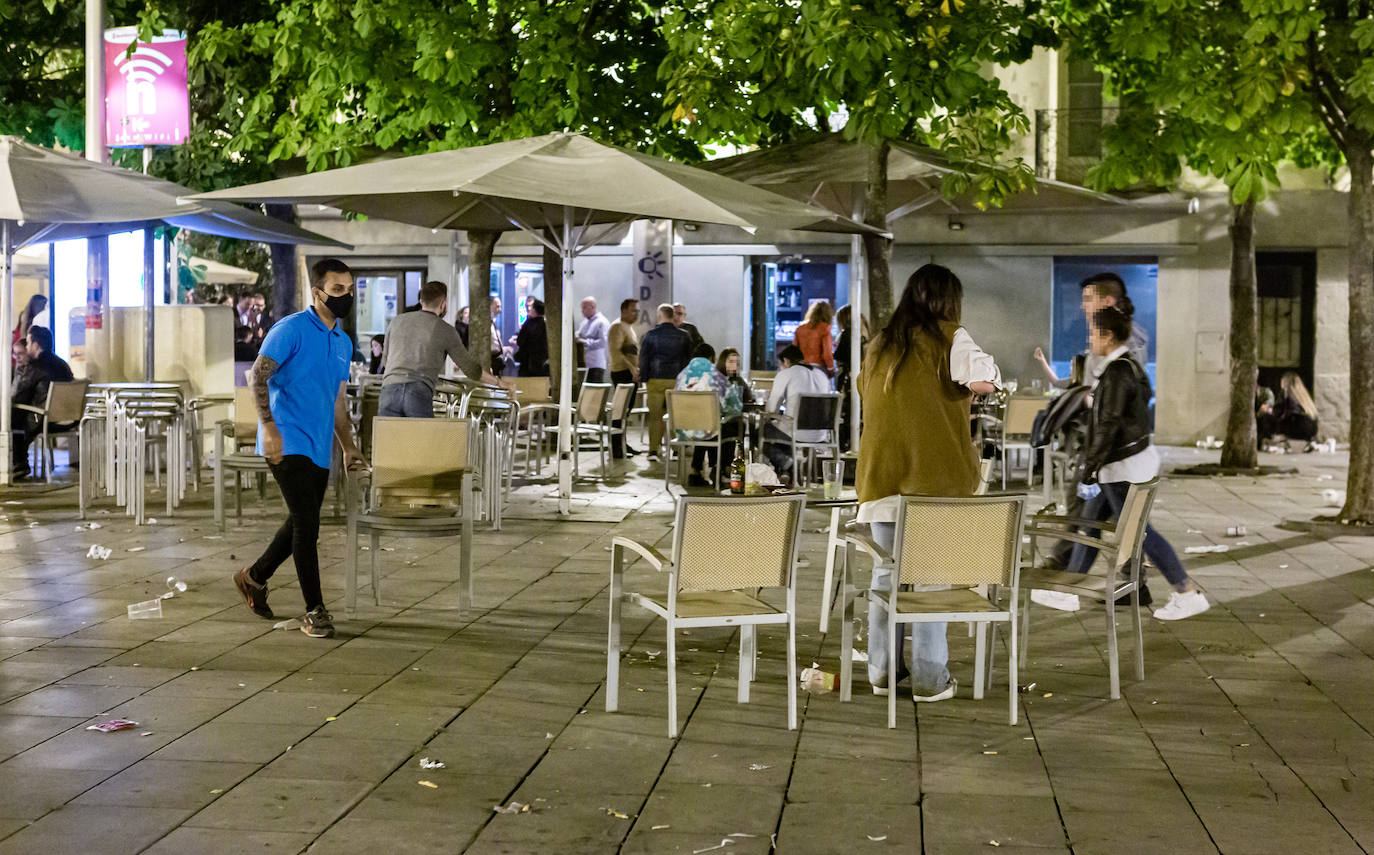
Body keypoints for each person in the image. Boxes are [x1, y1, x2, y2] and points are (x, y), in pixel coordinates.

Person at [856, 264, 1001, 701]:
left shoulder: (881, 343)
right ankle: (929, 678)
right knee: (931, 578)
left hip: (881, 478)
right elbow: (983, 380)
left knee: (886, 574)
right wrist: (976, 389)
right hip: (934, 482)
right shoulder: (950, 336)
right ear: (948, 300)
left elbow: (867, 392)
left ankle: (882, 673)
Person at [232, 259, 366, 640]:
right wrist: (269, 427)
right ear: (317, 292)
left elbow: (337, 402)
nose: (346, 296)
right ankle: (315, 610)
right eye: (337, 290)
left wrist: (349, 445)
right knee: (308, 524)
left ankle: (253, 577)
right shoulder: (289, 330)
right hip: (285, 439)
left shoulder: (342, 341)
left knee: (300, 520)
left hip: (320, 444)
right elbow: (256, 375)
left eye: (350, 289)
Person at [1062, 305, 1210, 622]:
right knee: (1090, 523)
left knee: (1141, 532)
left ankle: (1185, 592)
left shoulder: (1118, 372)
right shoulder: (1130, 367)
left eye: (1093, 332)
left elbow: (1109, 424)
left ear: (1108, 336)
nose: (1090, 339)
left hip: (1120, 468)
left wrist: (1089, 468)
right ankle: (1067, 590)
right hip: (1124, 465)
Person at [379, 281, 489, 417]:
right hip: (418, 390)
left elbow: (385, 361)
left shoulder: (396, 321)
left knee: (389, 438)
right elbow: (470, 369)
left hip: (389, 390)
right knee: (423, 438)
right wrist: (498, 382)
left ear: (421, 300)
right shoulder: (445, 330)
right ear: (443, 303)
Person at [675, 343, 743, 486]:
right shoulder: (716, 376)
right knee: (730, 427)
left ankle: (696, 471)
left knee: (705, 424)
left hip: (683, 430)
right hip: (708, 429)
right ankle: (721, 469)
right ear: (712, 358)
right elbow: (734, 407)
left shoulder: (681, 375)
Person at [10, 326, 73, 480]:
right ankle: (19, 463)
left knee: (12, 417)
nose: (27, 346)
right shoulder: (62, 364)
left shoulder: (35, 367)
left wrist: (19, 371)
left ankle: (19, 464)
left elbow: (16, 396)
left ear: (36, 345)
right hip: (66, 419)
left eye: (29, 343)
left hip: (41, 419)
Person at [762, 344, 830, 482]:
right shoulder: (822, 375)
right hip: (821, 432)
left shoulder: (786, 373)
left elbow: (771, 410)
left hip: (795, 431)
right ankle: (787, 471)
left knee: (760, 430)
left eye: (780, 365)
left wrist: (769, 415)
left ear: (786, 361)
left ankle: (789, 465)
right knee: (782, 428)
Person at [639, 303, 694, 460]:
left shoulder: (650, 335)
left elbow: (644, 359)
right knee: (675, 416)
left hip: (655, 380)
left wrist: (644, 378)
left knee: (655, 417)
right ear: (673, 316)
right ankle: (676, 450)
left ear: (660, 316)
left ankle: (653, 451)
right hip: (676, 380)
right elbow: (688, 359)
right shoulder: (684, 335)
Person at [609, 298, 641, 458]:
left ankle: (622, 442)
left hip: (630, 373)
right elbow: (616, 352)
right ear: (624, 311)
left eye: (637, 310)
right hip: (622, 373)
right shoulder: (617, 327)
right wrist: (631, 368)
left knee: (626, 412)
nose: (636, 313)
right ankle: (616, 447)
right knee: (620, 411)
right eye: (633, 310)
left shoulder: (629, 327)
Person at [834, 304, 867, 451]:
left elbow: (839, 356)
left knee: (846, 415)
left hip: (849, 382)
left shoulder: (848, 334)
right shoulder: (864, 334)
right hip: (863, 380)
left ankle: (846, 447)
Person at [1273, 372, 1320, 450]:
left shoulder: (1287, 394)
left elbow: (1279, 413)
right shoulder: (1304, 395)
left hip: (1297, 429)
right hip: (1311, 432)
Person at [794, 300, 835, 374]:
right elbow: (827, 353)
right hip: (818, 367)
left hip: (802, 366)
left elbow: (794, 349)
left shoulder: (800, 329)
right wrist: (831, 368)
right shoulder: (825, 329)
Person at [576, 296, 611, 383]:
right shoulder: (584, 322)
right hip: (584, 364)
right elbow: (579, 334)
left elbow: (603, 342)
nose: (581, 310)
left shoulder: (602, 322)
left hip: (596, 365)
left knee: (594, 393)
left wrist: (584, 342)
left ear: (592, 307)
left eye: (584, 307)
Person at [515, 299, 549, 377]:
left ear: (534, 310)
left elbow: (520, 341)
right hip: (541, 363)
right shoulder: (546, 325)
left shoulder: (528, 324)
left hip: (527, 363)